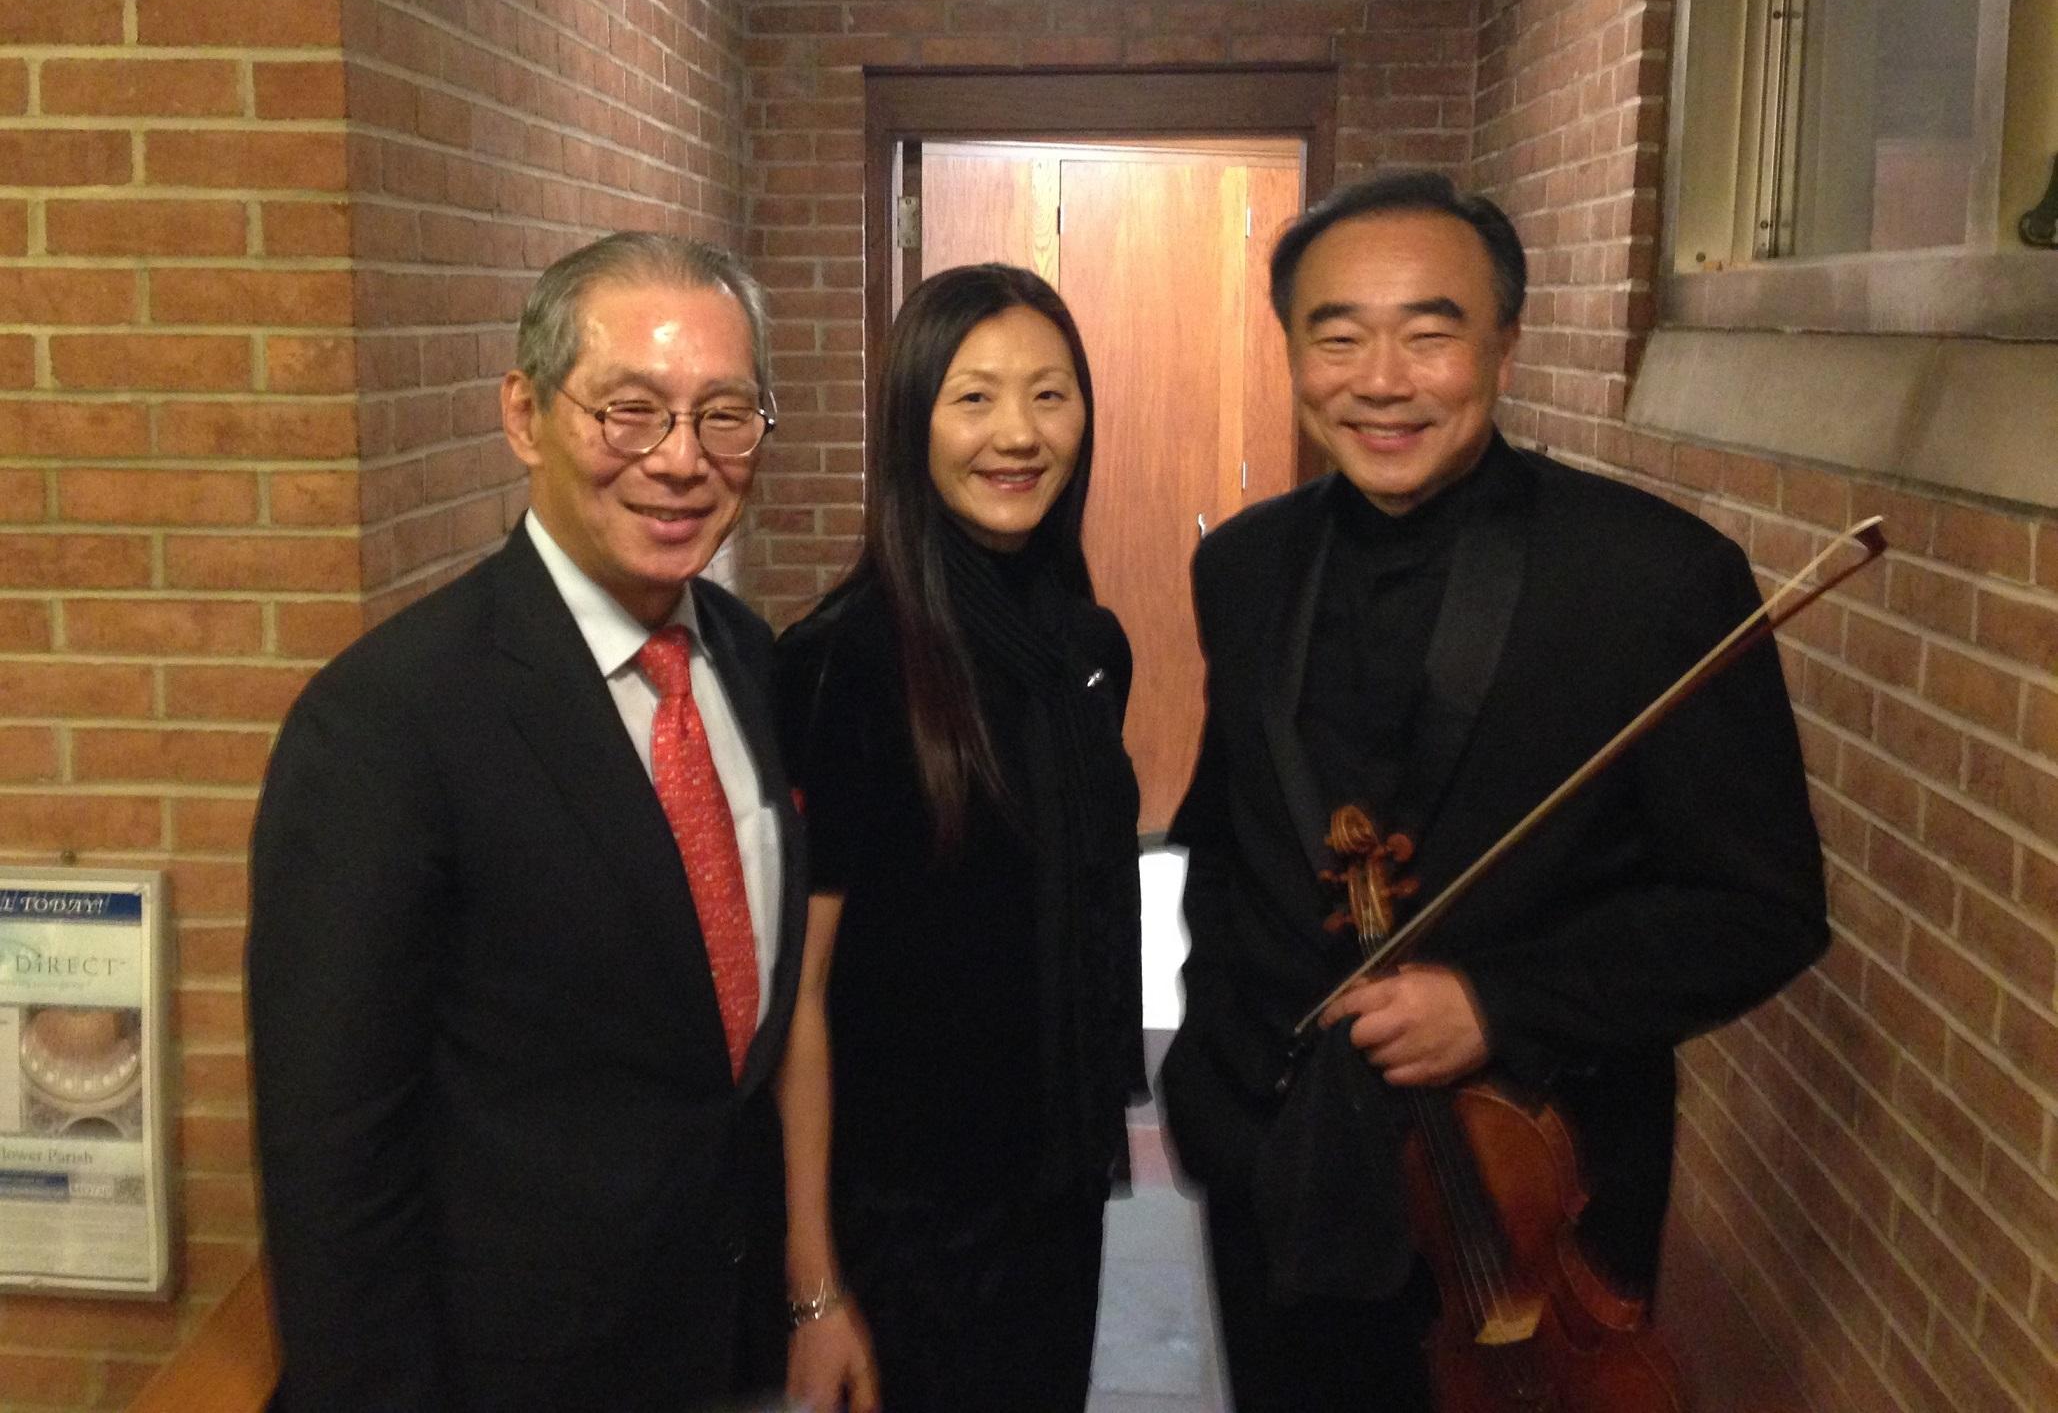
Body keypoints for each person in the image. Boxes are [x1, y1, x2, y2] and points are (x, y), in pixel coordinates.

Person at [1158, 170, 1830, 1410]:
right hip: (1281, 1164)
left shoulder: (1657, 580)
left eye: (1431, 331)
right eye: (1337, 333)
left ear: (1505, 342)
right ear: (1294, 348)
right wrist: (1209, 1073)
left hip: (1526, 1191)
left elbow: (1761, 908)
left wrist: (1500, 1002)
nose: (1381, 379)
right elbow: (1227, 828)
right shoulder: (1244, 565)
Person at [247, 233, 806, 1412]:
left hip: (717, 1346)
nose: (680, 461)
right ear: (524, 415)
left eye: (724, 415)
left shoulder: (746, 660)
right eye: (630, 411)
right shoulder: (386, 727)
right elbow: (335, 1163)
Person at [771, 264, 1145, 1413]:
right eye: (974, 398)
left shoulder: (1086, 645)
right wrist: (817, 1289)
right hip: (906, 1223)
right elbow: (804, 998)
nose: (1019, 435)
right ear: (911, 424)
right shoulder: (847, 659)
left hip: (1052, 1187)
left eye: (1051, 394)